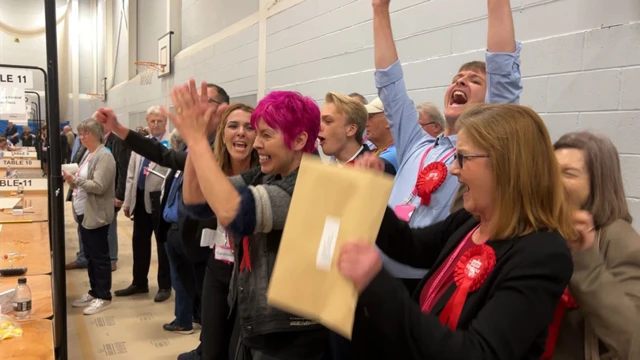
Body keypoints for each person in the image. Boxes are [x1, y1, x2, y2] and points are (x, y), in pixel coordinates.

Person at [343, 104, 575, 359]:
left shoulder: (541, 255)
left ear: (505, 164)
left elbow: (479, 353)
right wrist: (371, 198)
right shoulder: (470, 221)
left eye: (462, 157)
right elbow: (411, 246)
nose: (454, 169)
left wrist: (378, 284)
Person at [365, 0, 522, 293]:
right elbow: (390, 86)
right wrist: (379, 10)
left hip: (430, 279)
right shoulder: (416, 141)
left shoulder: (484, 151)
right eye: (456, 79)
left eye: (474, 81)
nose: (460, 81)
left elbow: (503, 74)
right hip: (378, 272)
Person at [173, 82, 329, 360]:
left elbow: (231, 213)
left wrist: (197, 140)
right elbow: (197, 200)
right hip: (261, 323)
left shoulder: (310, 186)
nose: (256, 143)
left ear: (299, 140)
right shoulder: (268, 176)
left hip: (292, 336)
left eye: (266, 135)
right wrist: (200, 139)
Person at [95, 82, 232, 360]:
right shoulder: (199, 146)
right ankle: (205, 346)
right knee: (202, 306)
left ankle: (210, 348)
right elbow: (163, 155)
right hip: (187, 237)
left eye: (203, 101)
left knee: (216, 308)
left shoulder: (224, 150)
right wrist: (120, 129)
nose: (195, 106)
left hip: (216, 249)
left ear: (221, 111)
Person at [549, 131, 640, 360]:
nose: (553, 182)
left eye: (568, 173)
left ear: (599, 182)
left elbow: (632, 341)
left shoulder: (619, 238)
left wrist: (586, 263)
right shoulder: (546, 232)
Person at [115, 106, 172, 302]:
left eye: (160, 121)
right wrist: (128, 202)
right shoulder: (141, 143)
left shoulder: (172, 142)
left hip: (160, 200)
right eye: (152, 121)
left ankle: (165, 285)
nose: (156, 124)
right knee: (139, 242)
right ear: (147, 122)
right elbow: (131, 174)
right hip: (140, 199)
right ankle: (139, 282)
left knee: (162, 244)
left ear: (166, 122)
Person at [63, 118, 116, 315]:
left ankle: (104, 296)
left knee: (100, 256)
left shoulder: (105, 156)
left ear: (97, 134)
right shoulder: (88, 153)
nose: (83, 137)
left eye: (87, 133)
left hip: (96, 213)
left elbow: (99, 186)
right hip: (83, 212)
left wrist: (75, 180)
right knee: (91, 256)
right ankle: (94, 292)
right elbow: (82, 182)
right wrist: (72, 181)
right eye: (81, 134)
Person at [319, 92, 395, 175]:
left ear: (351, 129)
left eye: (328, 121)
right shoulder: (330, 172)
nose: (319, 128)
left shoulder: (376, 169)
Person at [365, 97, 398, 172]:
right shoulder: (383, 150)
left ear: (389, 121)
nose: (366, 124)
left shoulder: (393, 154)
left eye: (370, 117)